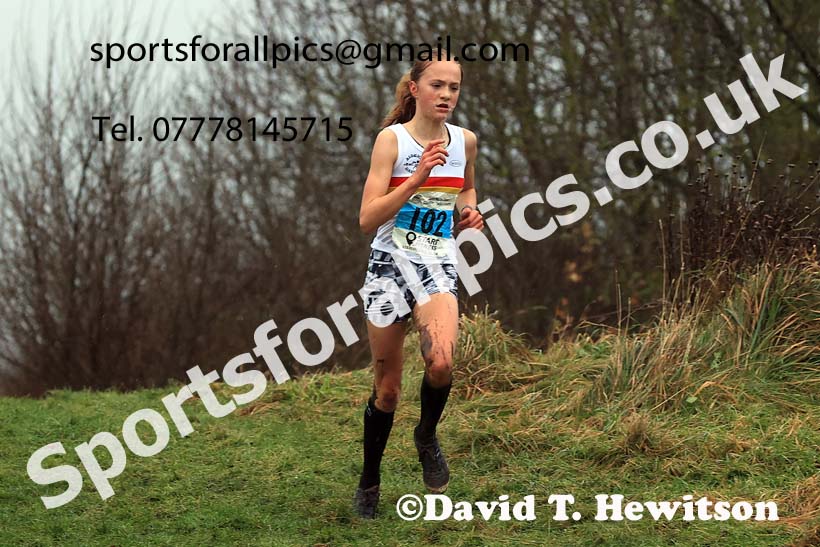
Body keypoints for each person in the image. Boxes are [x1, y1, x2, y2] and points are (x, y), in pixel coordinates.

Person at [354, 58, 484, 519]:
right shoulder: (392, 140)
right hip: (388, 268)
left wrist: (468, 211)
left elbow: (466, 189)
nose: (446, 95)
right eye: (437, 85)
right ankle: (370, 480)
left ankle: (426, 435)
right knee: (387, 391)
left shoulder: (465, 141)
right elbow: (367, 219)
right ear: (415, 89)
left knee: (442, 362)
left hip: (436, 264)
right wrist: (415, 180)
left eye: (454, 87)